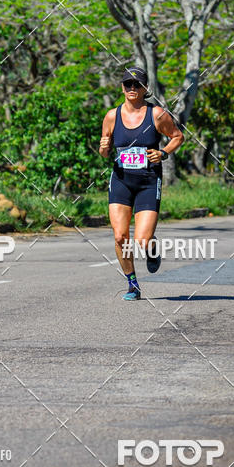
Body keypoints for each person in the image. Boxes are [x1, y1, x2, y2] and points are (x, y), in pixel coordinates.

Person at [99, 67, 184, 301]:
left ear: (146, 88)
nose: (132, 89)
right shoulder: (112, 116)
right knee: (119, 237)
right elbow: (104, 151)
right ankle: (133, 285)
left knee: (142, 240)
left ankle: (151, 248)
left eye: (137, 85)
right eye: (128, 84)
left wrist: (164, 153)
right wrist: (104, 149)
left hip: (148, 181)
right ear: (123, 87)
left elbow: (178, 136)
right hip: (121, 180)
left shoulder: (156, 114)